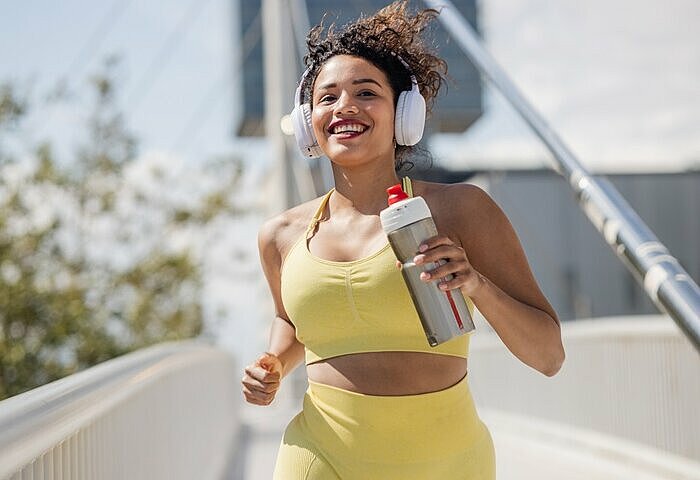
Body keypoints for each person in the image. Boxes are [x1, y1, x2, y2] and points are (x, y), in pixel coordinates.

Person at [241, 2, 565, 478]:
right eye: (327, 97)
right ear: (309, 120)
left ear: (405, 114)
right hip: (318, 455)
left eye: (366, 92)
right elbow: (291, 321)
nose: (344, 107)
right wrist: (272, 363)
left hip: (446, 462)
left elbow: (548, 355)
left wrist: (474, 284)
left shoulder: (461, 210)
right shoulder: (280, 236)